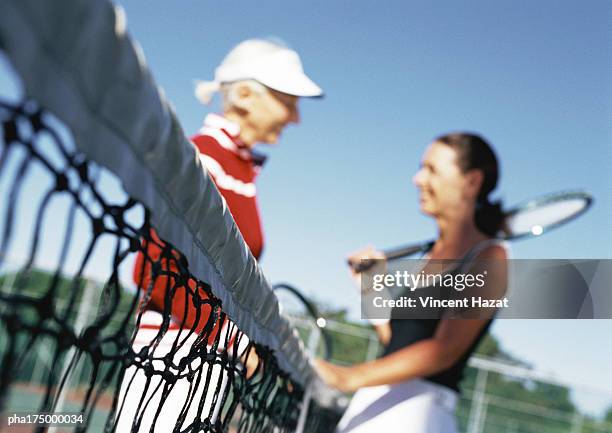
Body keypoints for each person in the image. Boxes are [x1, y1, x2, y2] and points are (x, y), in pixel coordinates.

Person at [116, 38, 323, 432]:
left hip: (203, 359)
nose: (295, 117)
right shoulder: (203, 157)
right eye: (288, 100)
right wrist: (234, 339)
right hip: (169, 357)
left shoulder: (238, 167)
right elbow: (154, 268)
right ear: (245, 95)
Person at [315, 133, 508, 433]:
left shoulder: (491, 256)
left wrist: (347, 376)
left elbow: (444, 350)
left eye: (432, 169)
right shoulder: (430, 255)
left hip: (421, 417)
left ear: (471, 182)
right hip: (376, 405)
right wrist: (370, 287)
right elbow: (399, 343)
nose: (417, 179)